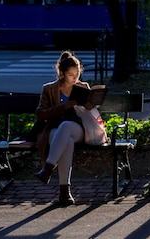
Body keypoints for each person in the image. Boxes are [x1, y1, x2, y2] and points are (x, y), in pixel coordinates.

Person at [34, 51, 92, 205]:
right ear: (62, 73)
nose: (75, 77)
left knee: (66, 127)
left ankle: (48, 169)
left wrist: (89, 105)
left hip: (78, 128)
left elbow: (90, 113)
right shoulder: (49, 89)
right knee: (67, 141)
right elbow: (40, 114)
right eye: (71, 74)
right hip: (54, 128)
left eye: (77, 73)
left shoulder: (83, 87)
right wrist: (62, 107)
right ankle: (64, 192)